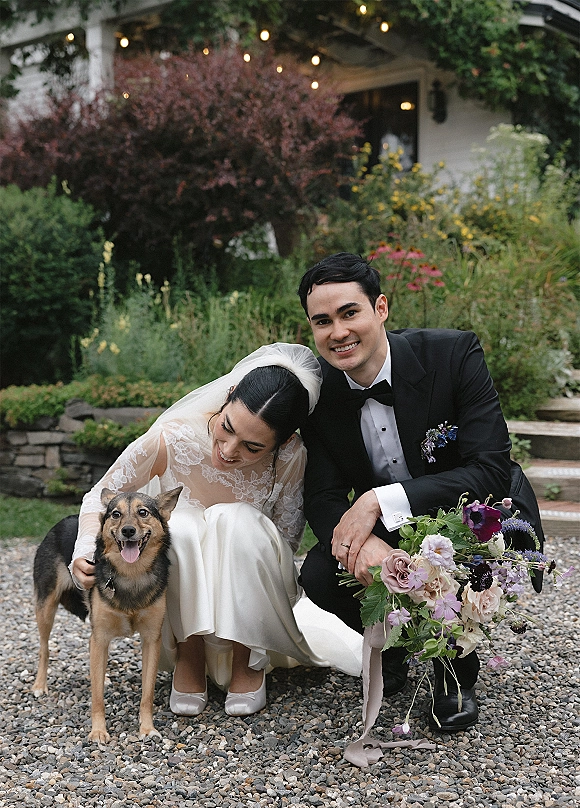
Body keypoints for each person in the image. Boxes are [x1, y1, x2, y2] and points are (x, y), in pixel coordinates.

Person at [297, 252, 543, 732]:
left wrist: (375, 501)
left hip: (476, 510)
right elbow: (323, 495)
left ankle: (454, 673)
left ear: (381, 308)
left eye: (350, 313)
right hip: (391, 526)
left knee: (470, 555)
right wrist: (361, 541)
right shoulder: (319, 395)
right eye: (322, 321)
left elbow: (490, 469)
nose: (338, 332)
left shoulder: (452, 355)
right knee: (321, 574)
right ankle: (395, 649)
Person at [71, 343, 362, 718]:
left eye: (253, 447)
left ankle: (247, 659)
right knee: (184, 524)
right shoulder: (172, 438)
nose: (227, 450)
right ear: (225, 400)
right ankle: (188, 655)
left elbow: (286, 539)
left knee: (236, 520)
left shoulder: (292, 457)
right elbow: (101, 494)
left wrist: (231, 542)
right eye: (226, 428)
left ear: (284, 441)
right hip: (180, 580)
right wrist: (84, 550)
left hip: (249, 583)